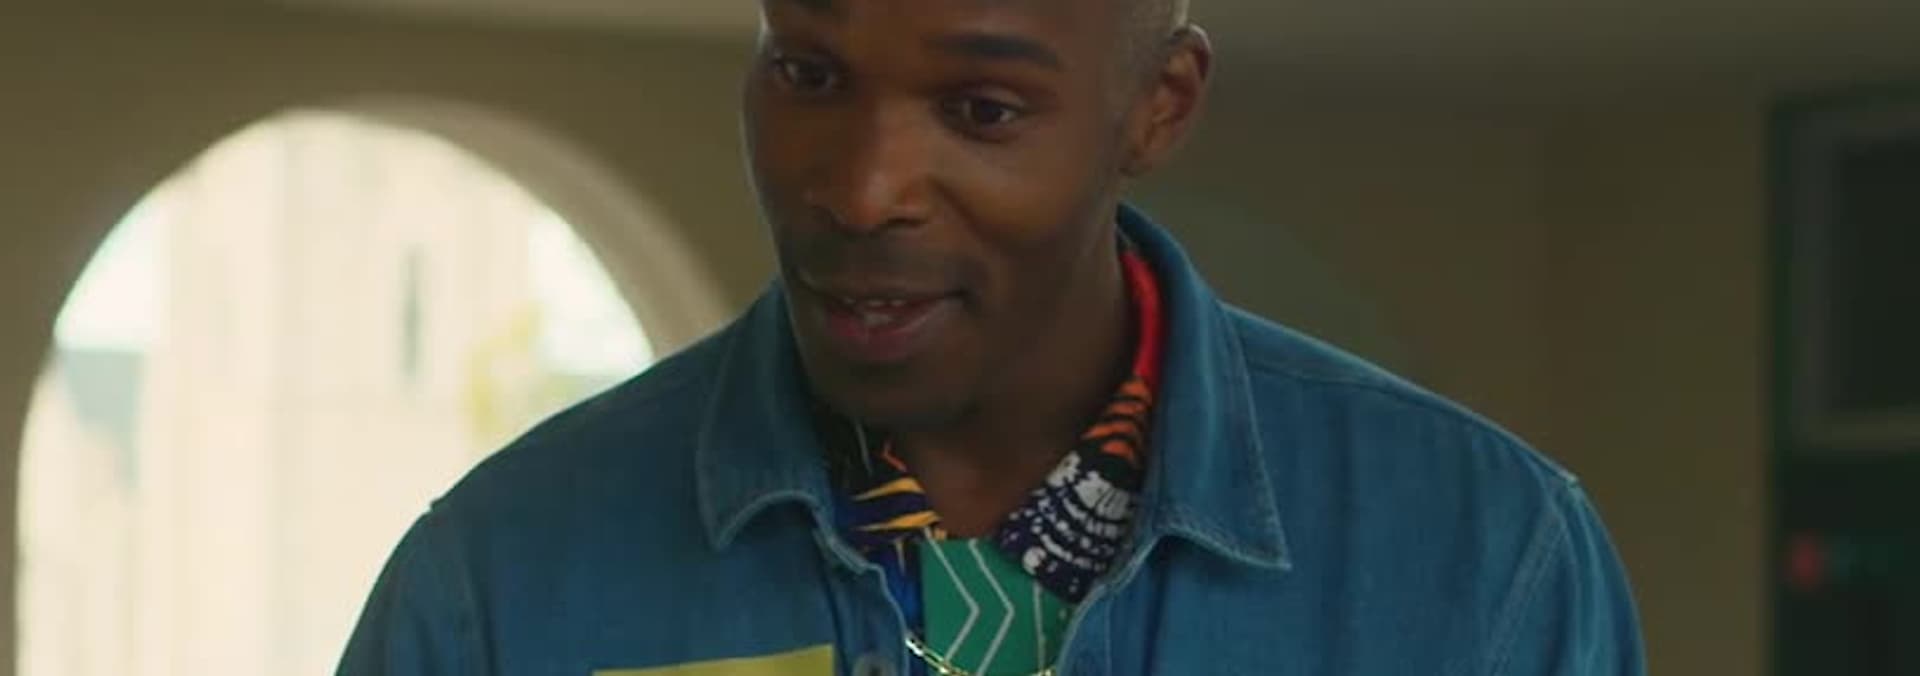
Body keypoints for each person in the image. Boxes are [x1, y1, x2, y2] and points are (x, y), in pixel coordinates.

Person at [338, 0, 1646, 674]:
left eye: (981, 109)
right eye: (808, 74)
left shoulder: (1486, 559)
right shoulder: (501, 579)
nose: (862, 191)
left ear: (1157, 107)